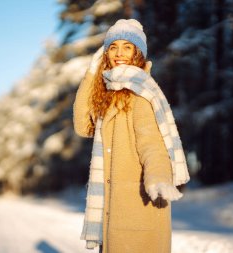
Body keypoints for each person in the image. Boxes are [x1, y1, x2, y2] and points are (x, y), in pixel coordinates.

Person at [73, 19, 189, 253]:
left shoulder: (141, 92)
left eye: (127, 46)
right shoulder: (109, 94)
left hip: (137, 206)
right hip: (116, 206)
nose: (119, 53)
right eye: (113, 47)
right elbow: (82, 126)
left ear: (138, 53)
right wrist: (91, 74)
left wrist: (158, 176)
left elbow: (152, 142)